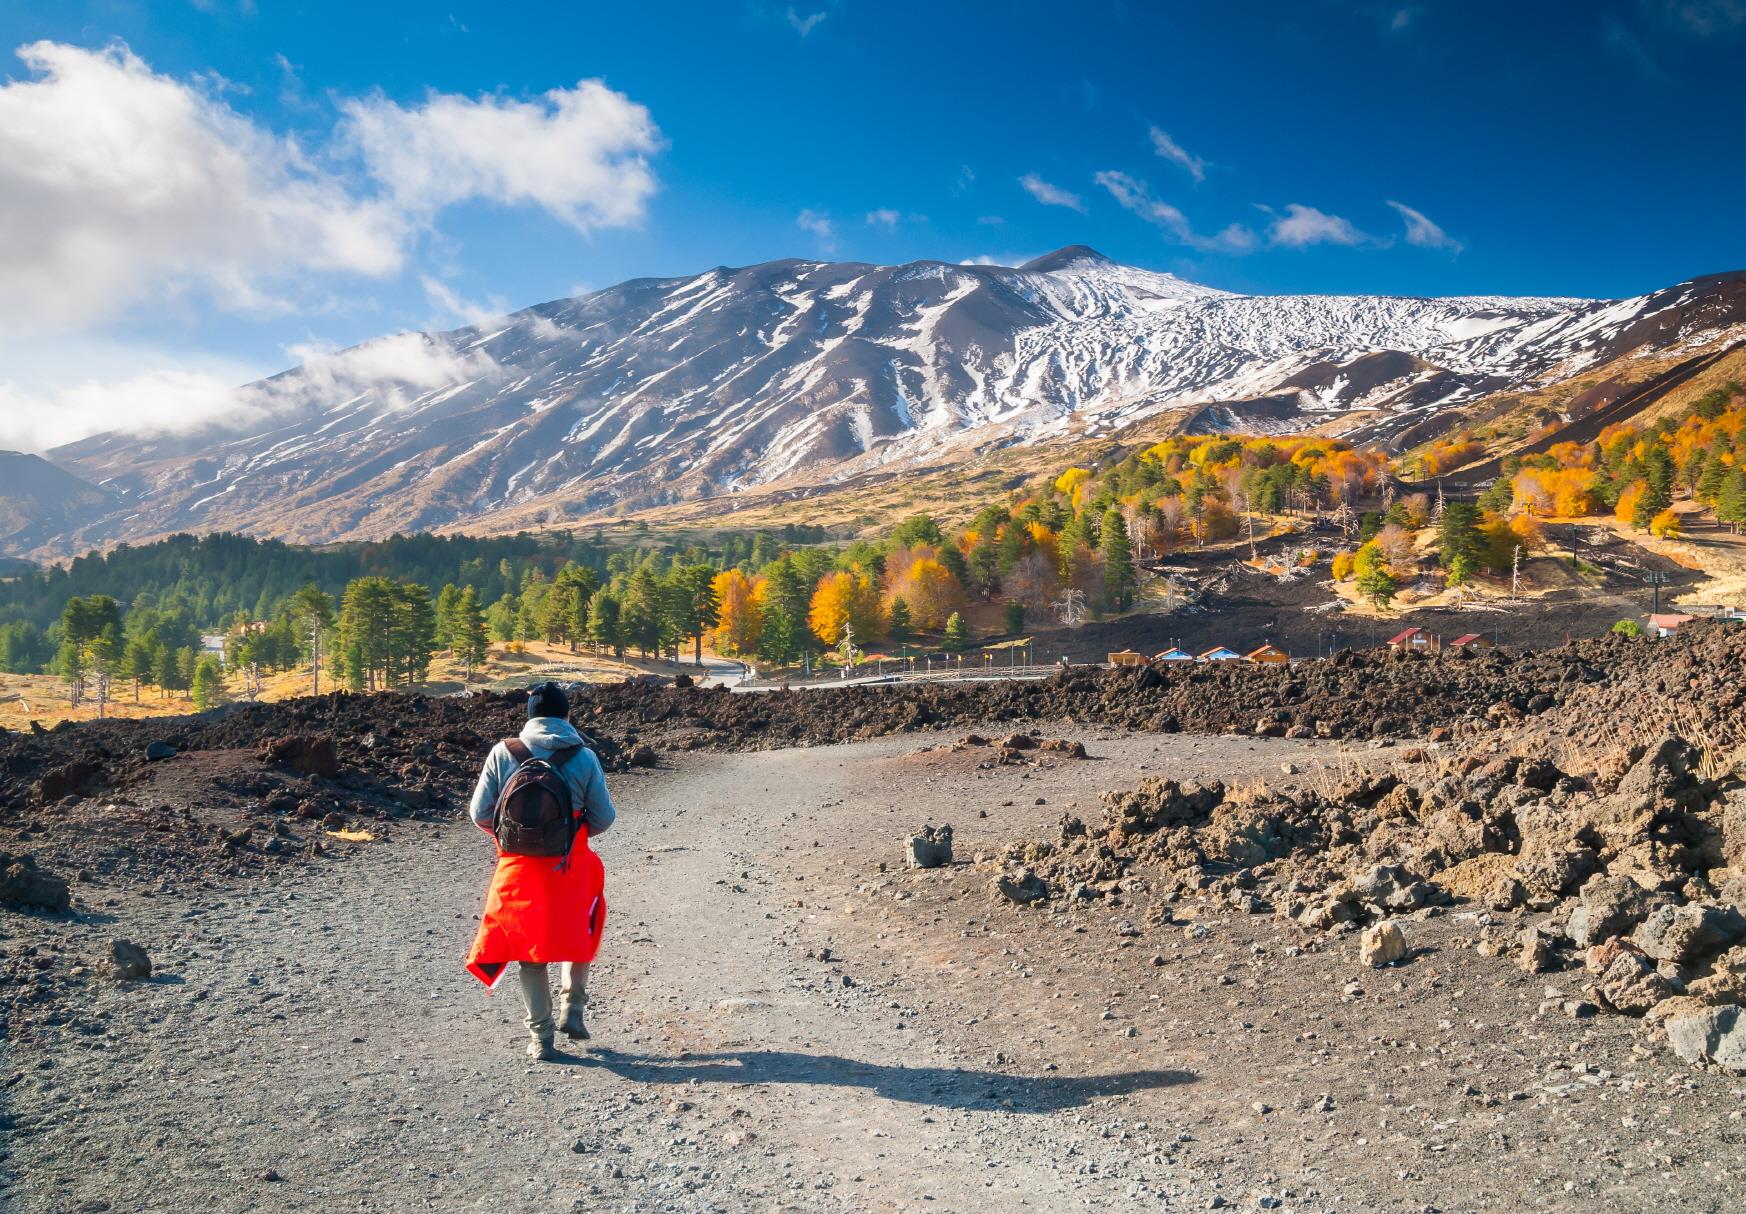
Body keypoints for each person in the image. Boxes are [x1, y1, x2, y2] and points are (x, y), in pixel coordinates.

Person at [464, 681, 616, 1061]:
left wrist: (516, 839)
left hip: (518, 867)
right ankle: (573, 1006)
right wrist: (570, 836)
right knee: (580, 927)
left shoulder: (504, 752)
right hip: (571, 863)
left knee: (527, 950)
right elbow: (604, 817)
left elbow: (479, 814)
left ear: (530, 717)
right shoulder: (584, 756)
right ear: (567, 716)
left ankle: (541, 1039)